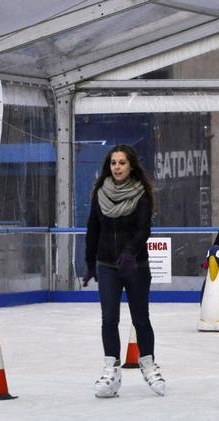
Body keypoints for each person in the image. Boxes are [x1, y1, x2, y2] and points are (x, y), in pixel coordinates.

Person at [83, 144, 165, 398]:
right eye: (113, 163)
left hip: (135, 265)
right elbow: (93, 228)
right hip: (108, 265)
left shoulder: (141, 194)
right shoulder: (100, 194)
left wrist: (130, 251)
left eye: (122, 163)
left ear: (131, 166)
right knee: (109, 319)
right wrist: (89, 262)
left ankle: (149, 365)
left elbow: (144, 230)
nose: (117, 167)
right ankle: (111, 370)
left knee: (140, 318)